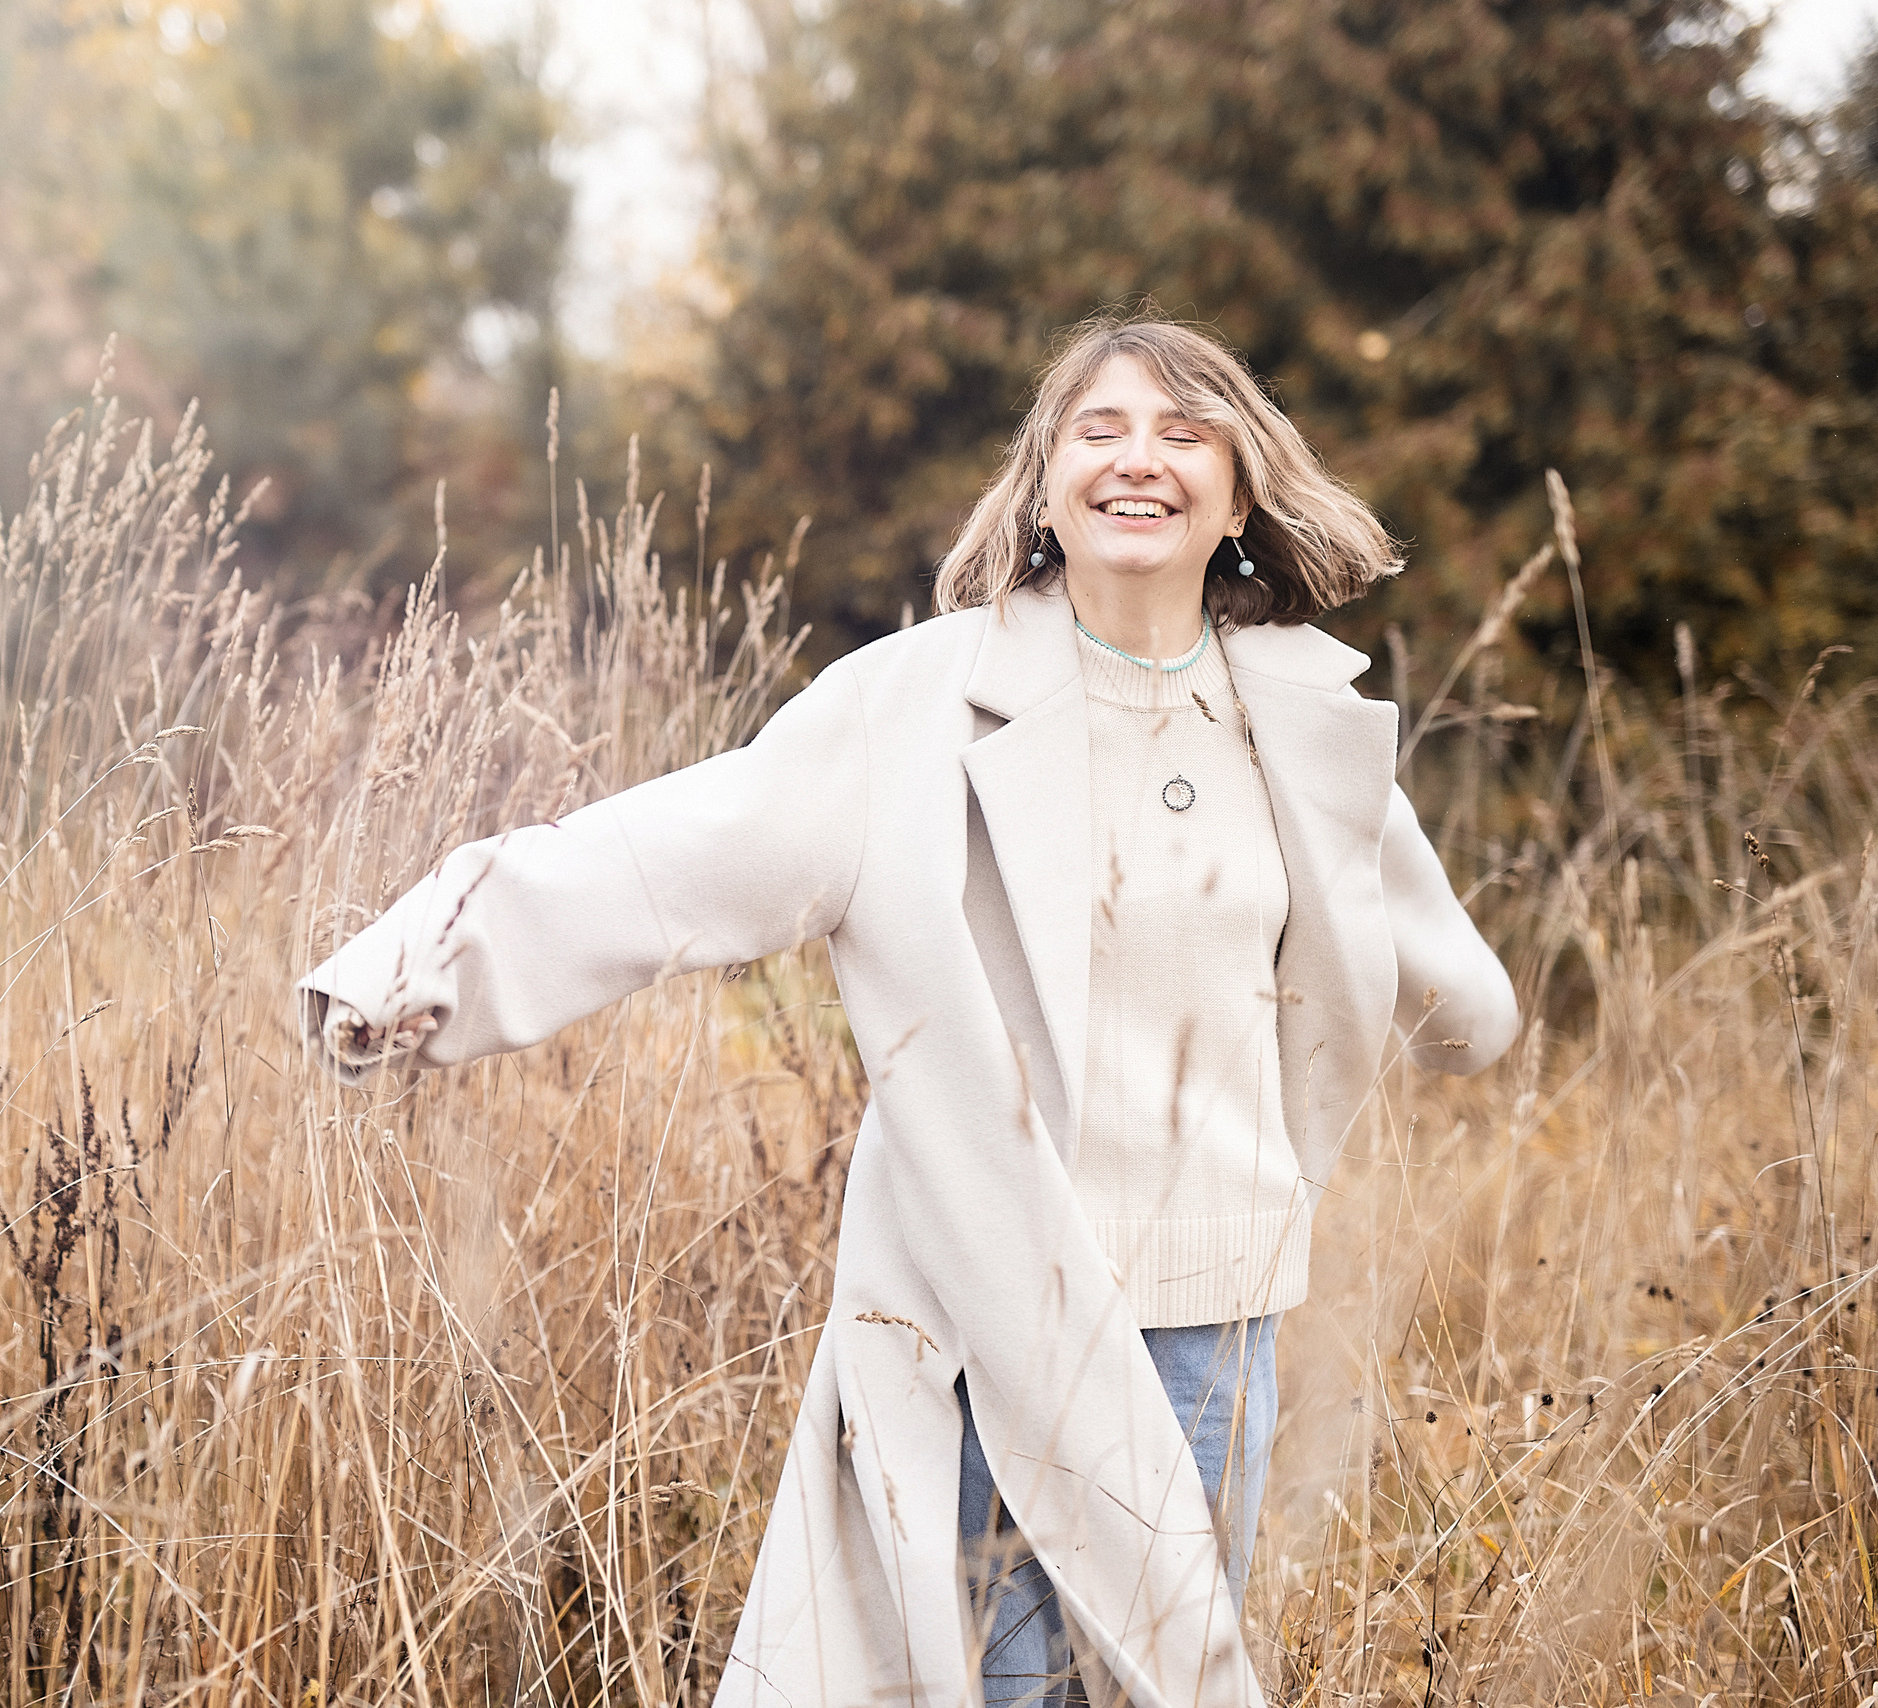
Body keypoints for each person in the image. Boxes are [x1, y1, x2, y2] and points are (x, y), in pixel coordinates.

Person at [297, 311, 1519, 1708]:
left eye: (1186, 433)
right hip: (1003, 1312)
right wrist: (417, 968)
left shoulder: (1299, 717)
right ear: (1043, 484)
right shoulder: (919, 707)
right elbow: (684, 845)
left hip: (1222, 1328)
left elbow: (1429, 967)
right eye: (1099, 429)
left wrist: (1472, 1020)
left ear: (1240, 495)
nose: (1140, 461)